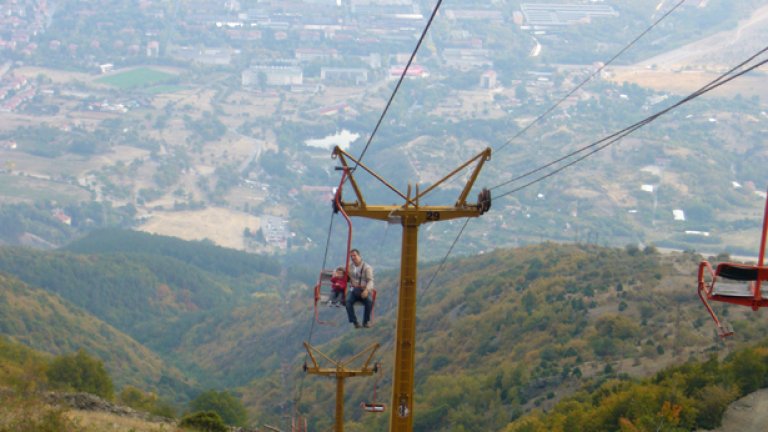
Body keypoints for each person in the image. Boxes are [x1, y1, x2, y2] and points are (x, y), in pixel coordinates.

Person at [346, 248, 374, 328]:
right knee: (348, 302)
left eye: (354, 256)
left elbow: (370, 281)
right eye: (351, 256)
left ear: (359, 256)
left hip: (363, 289)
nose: (353, 258)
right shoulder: (350, 267)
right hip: (354, 289)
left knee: (369, 301)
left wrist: (367, 290)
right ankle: (354, 322)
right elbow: (346, 276)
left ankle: (365, 321)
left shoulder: (366, 267)